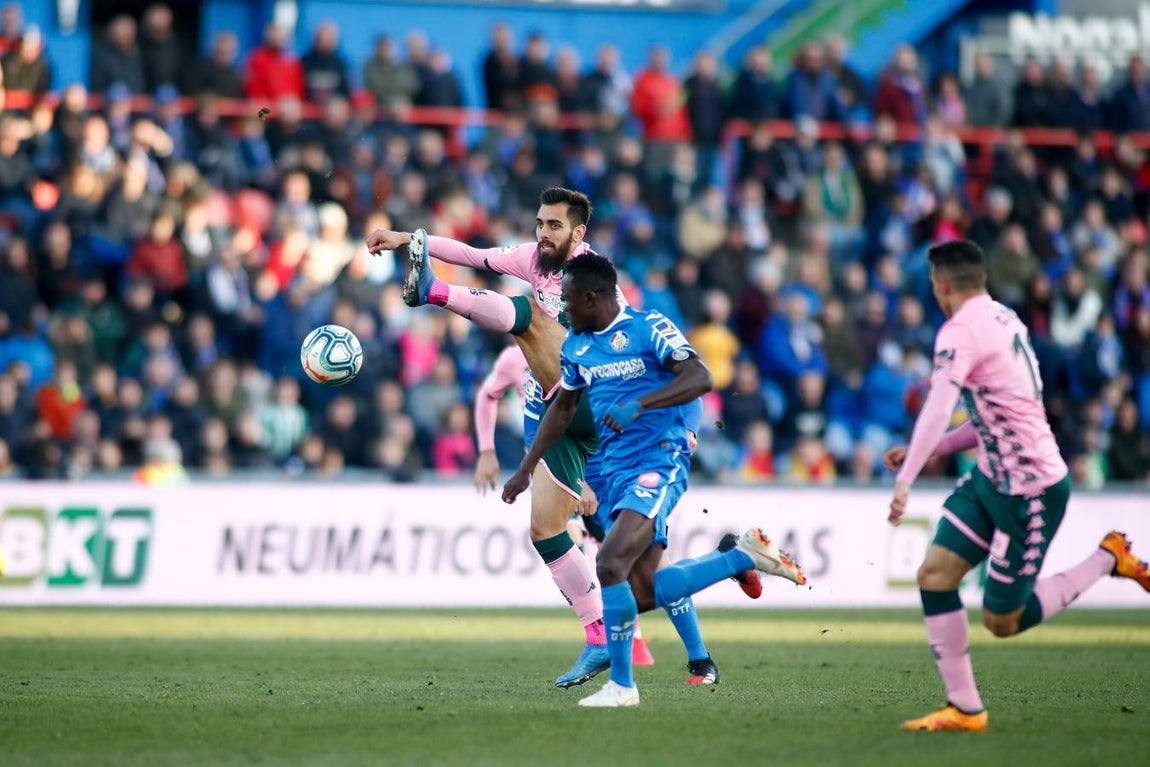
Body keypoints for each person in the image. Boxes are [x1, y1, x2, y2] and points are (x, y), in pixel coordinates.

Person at [369, 189, 758, 688]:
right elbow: (473, 254)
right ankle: (630, 635)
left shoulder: (598, 286)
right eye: (539, 223)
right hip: (555, 416)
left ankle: (434, 293)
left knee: (530, 320)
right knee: (559, 538)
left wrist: (685, 426)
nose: (542, 233)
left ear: (579, 233)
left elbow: (673, 363)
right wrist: (408, 238)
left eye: (554, 226)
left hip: (601, 411)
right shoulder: (533, 261)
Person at [502, 253, 807, 708]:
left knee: (608, 564)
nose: (562, 310)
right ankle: (737, 557)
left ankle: (625, 686)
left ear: (592, 297)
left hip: (657, 460)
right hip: (611, 470)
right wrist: (528, 468)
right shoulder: (577, 348)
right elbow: (562, 409)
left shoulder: (648, 328)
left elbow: (700, 377)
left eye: (567, 301)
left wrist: (642, 406)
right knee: (641, 591)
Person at [884, 240, 1150, 732]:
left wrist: (907, 479)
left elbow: (941, 404)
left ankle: (1110, 556)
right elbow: (992, 416)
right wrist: (934, 448)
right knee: (935, 574)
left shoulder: (958, 332)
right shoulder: (1004, 318)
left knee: (1002, 621)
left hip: (1032, 490)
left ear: (942, 285)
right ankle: (966, 709)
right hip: (991, 475)